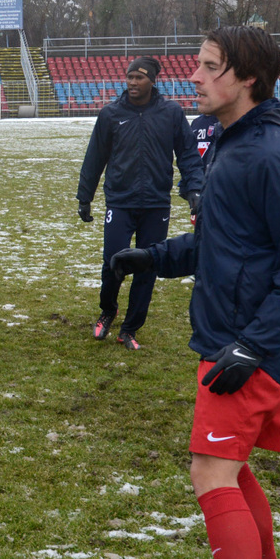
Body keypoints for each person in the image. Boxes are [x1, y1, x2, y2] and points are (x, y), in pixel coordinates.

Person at [111, 27, 280, 559]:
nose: (195, 77)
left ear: (247, 79)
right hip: (236, 337)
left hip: (247, 346)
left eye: (210, 67)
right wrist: (155, 257)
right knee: (233, 470)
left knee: (211, 473)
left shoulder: (271, 154)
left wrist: (252, 345)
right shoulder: (232, 140)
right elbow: (226, 242)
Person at [75, 56, 205, 349]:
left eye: (139, 78)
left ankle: (130, 328)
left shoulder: (171, 113)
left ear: (152, 81)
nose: (133, 83)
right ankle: (108, 311)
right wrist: (85, 197)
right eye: (130, 77)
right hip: (120, 201)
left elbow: (187, 154)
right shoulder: (111, 114)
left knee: (148, 265)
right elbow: (95, 157)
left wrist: (195, 190)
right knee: (113, 261)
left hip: (156, 203)